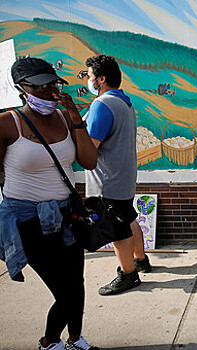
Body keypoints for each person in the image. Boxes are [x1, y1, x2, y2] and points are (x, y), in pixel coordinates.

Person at [0, 57, 99, 350]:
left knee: (77, 284)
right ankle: (49, 341)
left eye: (52, 85)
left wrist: (76, 118)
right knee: (65, 291)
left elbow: (89, 161)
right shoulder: (8, 123)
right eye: (40, 87)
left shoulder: (67, 119)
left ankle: (75, 339)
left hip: (67, 214)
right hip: (27, 218)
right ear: (22, 89)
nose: (49, 92)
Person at [84, 54, 152, 296]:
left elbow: (90, 146)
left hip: (107, 181)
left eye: (89, 76)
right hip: (123, 177)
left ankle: (128, 274)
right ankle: (140, 260)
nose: (87, 80)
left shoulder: (102, 105)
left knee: (118, 229)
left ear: (101, 79)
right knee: (129, 218)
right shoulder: (125, 103)